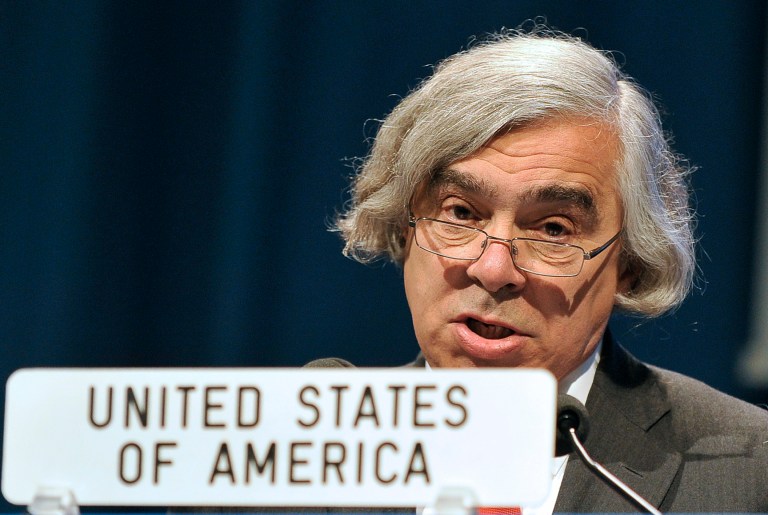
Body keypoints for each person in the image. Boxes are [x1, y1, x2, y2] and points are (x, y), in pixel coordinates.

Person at [331, 27, 768, 513]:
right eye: (461, 213)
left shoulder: (747, 473)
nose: (494, 269)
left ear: (628, 261)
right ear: (404, 222)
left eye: (554, 230)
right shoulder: (295, 464)